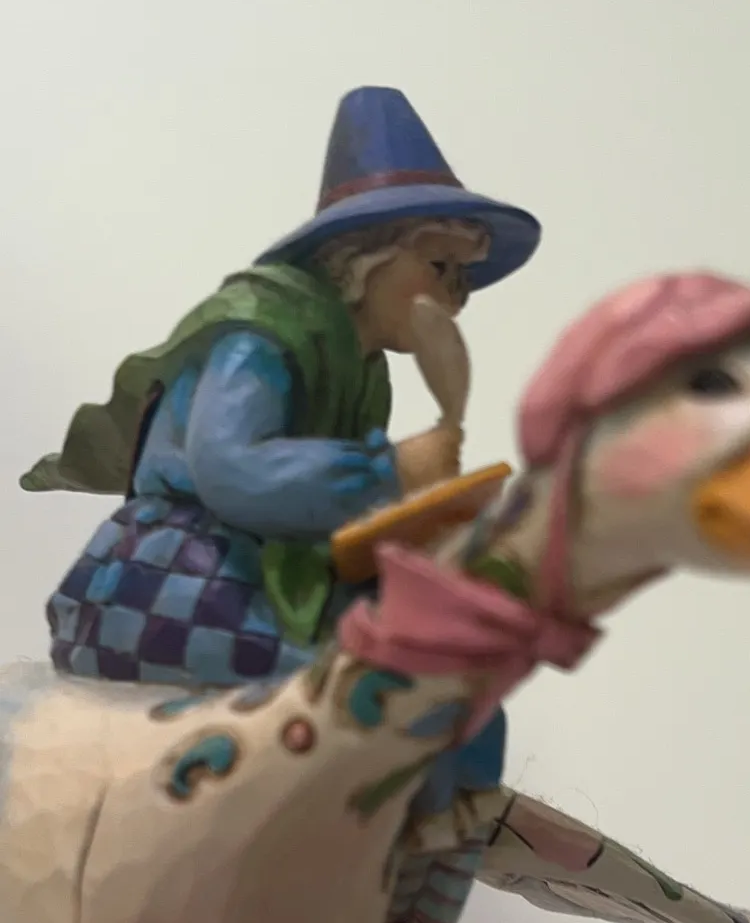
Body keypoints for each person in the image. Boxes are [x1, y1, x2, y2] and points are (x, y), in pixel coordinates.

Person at [21, 85, 542, 688]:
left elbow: (322, 509)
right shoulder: (261, 337)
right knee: (354, 677)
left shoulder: (364, 369)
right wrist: (390, 473)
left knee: (435, 643)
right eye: (439, 267)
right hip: (172, 569)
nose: (454, 295)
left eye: (463, 276)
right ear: (363, 260)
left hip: (281, 564)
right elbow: (230, 471)